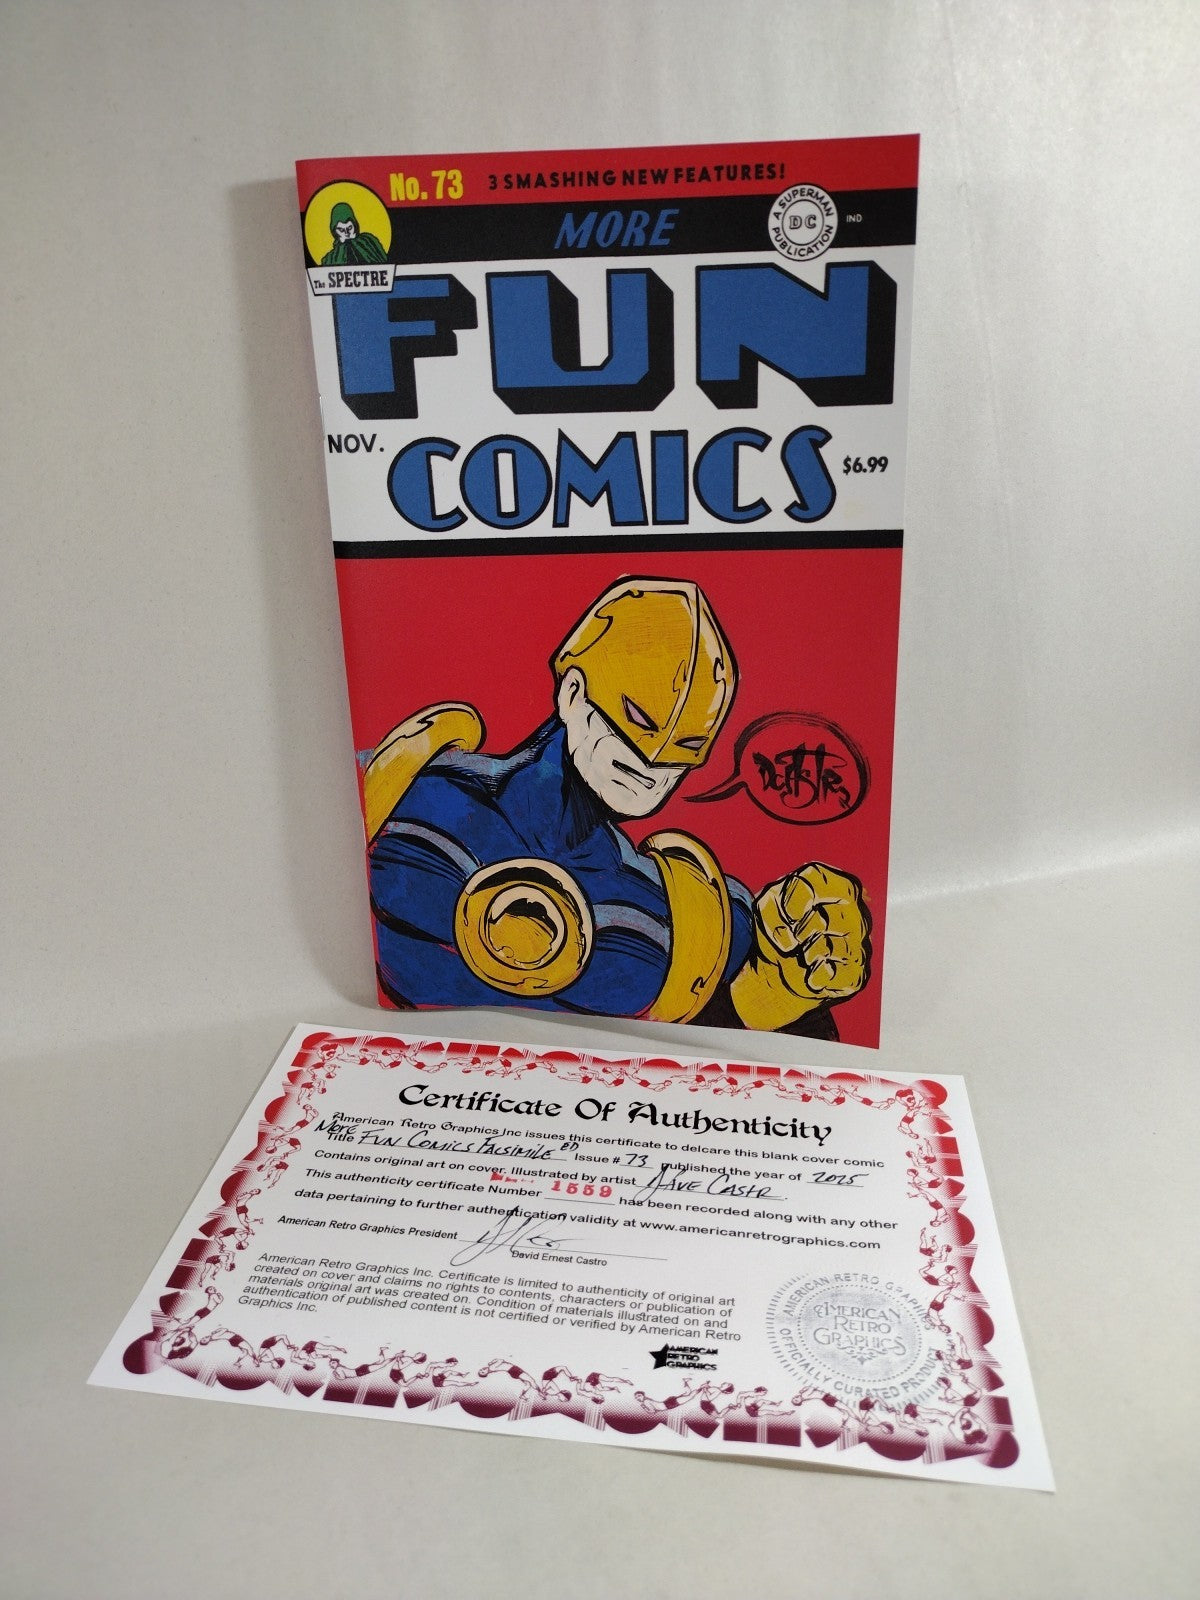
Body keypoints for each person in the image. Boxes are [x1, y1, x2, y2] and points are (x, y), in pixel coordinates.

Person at [364, 577, 870, 1036]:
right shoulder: (408, 797)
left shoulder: (678, 914)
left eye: (685, 748)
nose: (652, 760)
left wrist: (798, 969)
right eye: (637, 720)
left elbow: (749, 1013)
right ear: (573, 692)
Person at [320, 201, 387, 266]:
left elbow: (384, 260)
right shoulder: (330, 258)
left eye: (349, 228)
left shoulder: (368, 241)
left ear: (355, 226)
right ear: (335, 231)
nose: (347, 233)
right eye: (341, 230)